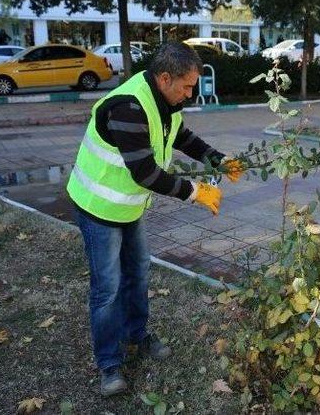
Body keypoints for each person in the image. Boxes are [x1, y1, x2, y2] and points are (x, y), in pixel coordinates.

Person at [66, 42, 243, 397]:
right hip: (98, 209)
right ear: (165, 78)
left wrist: (217, 158)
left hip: (128, 209)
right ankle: (109, 364)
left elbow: (181, 137)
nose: (191, 93)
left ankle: (137, 335)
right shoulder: (128, 107)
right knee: (107, 289)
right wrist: (196, 191)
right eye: (188, 86)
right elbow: (145, 173)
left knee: (139, 272)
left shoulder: (166, 102)